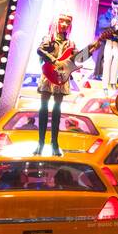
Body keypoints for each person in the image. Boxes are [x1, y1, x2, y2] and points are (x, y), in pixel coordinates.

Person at [34, 13, 97, 156]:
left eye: (67, 23)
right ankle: (40, 142)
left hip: (62, 76)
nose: (64, 25)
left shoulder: (70, 43)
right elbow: (40, 50)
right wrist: (54, 60)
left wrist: (92, 50)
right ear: (56, 22)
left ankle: (54, 142)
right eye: (62, 21)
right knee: (43, 107)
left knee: (57, 109)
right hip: (49, 74)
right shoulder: (48, 39)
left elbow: (78, 58)